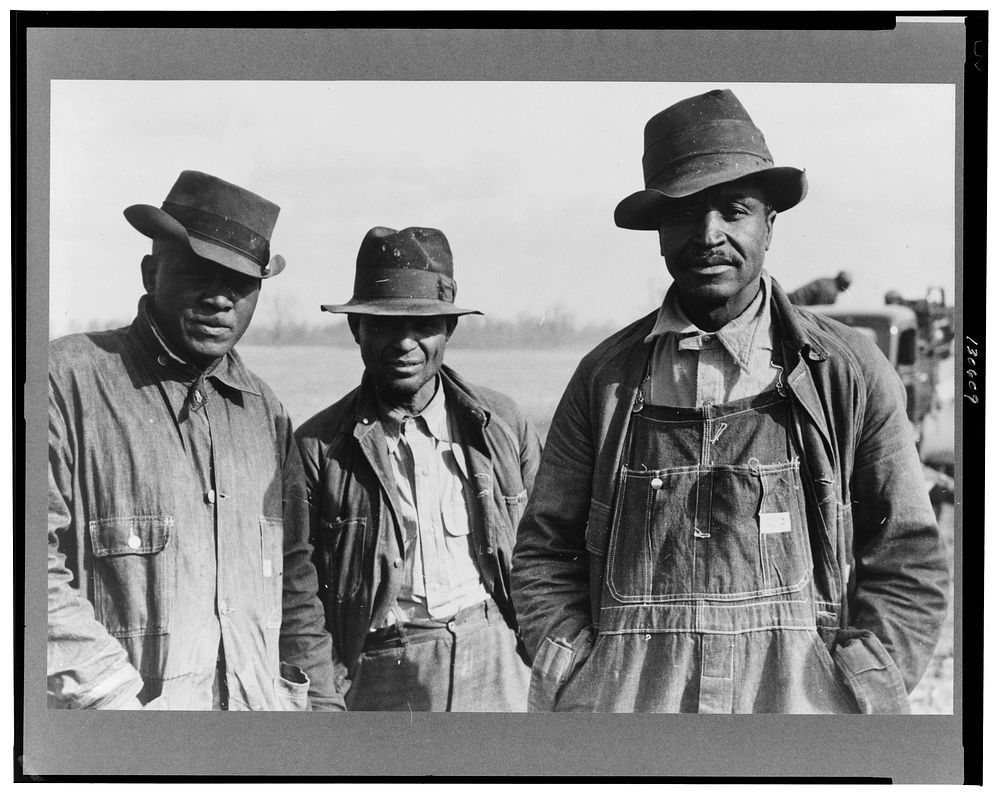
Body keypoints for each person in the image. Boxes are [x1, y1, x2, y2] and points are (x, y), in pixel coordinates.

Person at [511, 89, 948, 713]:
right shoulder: (604, 382)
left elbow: (909, 560)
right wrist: (579, 673)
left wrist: (859, 687)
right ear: (659, 231)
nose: (708, 235)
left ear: (769, 223)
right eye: (685, 213)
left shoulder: (846, 373)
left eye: (734, 210)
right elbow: (543, 552)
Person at [47, 170, 342, 710]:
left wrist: (323, 712)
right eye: (199, 273)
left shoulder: (265, 412)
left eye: (241, 285)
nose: (220, 301)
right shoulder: (63, 382)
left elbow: (295, 581)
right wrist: (111, 699)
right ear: (151, 272)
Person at [295, 226, 541, 711]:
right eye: (384, 325)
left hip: (499, 660)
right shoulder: (318, 447)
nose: (404, 343)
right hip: (383, 671)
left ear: (449, 329)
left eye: (424, 324)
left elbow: (550, 549)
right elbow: (298, 593)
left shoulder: (502, 424)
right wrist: (325, 696)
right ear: (357, 329)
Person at [787, 270, 852, 305]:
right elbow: (820, 311)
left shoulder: (827, 282)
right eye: (847, 285)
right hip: (793, 305)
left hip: (790, 301)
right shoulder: (831, 291)